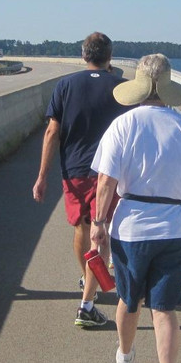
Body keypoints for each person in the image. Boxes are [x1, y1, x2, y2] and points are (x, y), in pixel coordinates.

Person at [90, 54, 181, 363]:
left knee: (129, 301)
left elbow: (105, 182)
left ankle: (125, 358)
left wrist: (99, 225)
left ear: (139, 86)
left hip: (131, 228)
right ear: (167, 89)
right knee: (164, 309)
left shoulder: (123, 125)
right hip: (176, 228)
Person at [32, 32, 131, 328]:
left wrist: (41, 177)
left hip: (73, 171)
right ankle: (91, 289)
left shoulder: (65, 85)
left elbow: (52, 132)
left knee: (83, 228)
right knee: (103, 229)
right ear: (109, 57)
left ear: (83, 55)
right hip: (110, 171)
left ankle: (89, 279)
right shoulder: (122, 89)